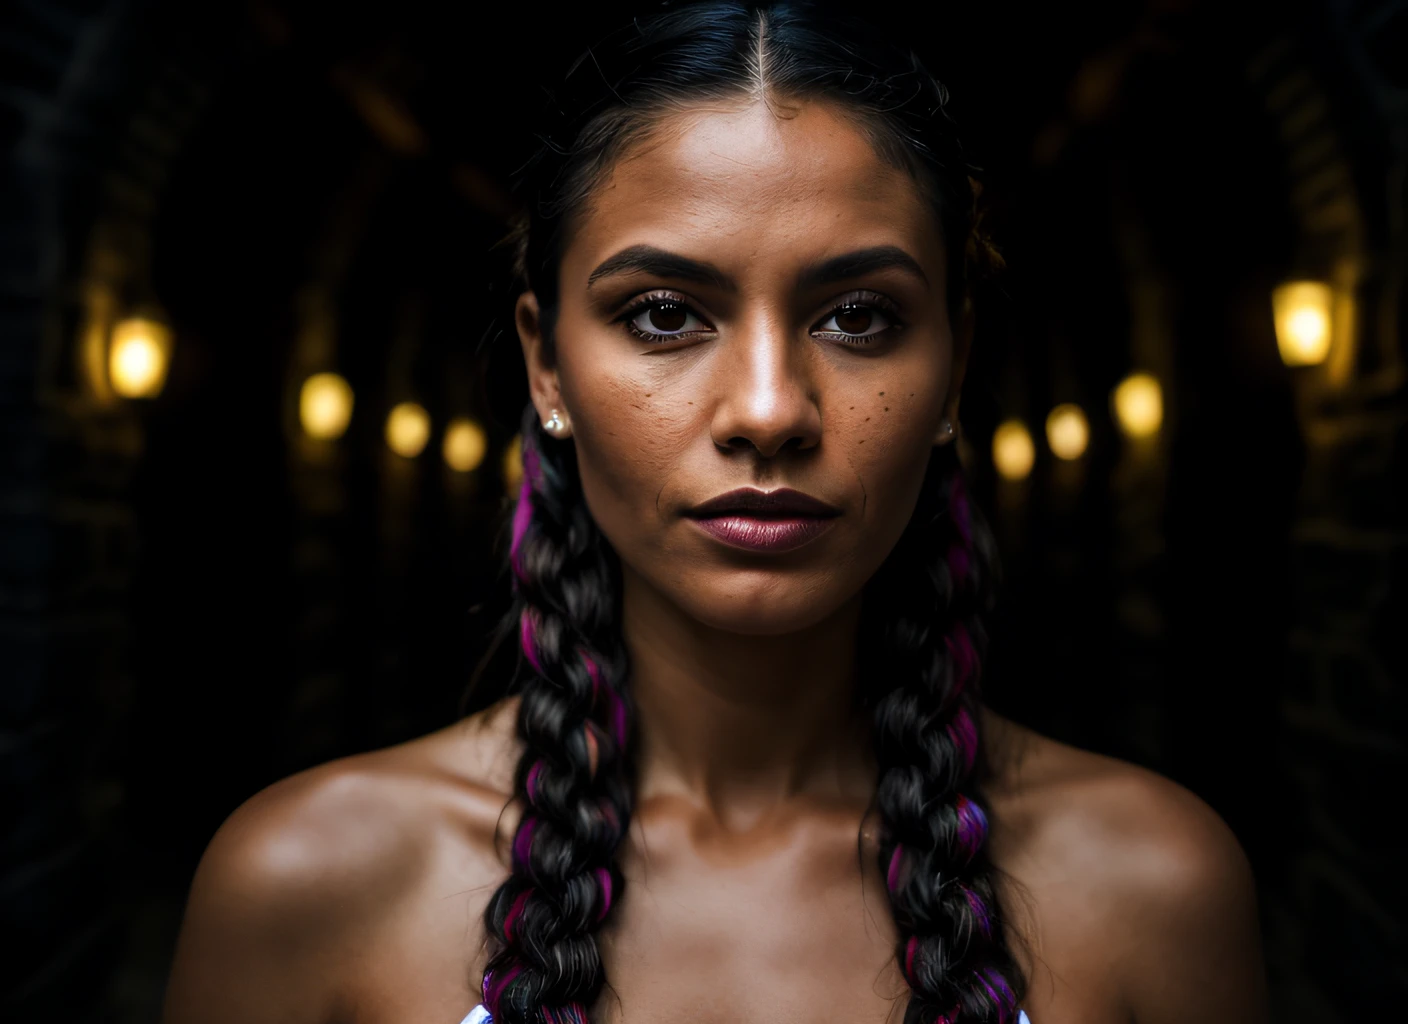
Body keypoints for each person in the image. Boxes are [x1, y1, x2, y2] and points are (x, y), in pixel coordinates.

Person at [161, 3, 1269, 1022]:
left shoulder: (1153, 887)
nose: (768, 409)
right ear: (546, 367)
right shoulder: (306, 884)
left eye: (858, 316)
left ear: (955, 365)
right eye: (661, 315)